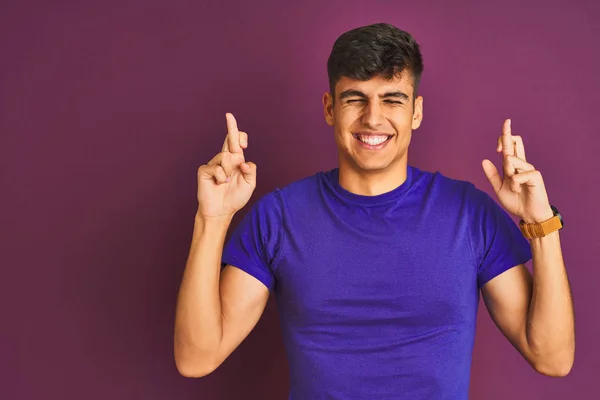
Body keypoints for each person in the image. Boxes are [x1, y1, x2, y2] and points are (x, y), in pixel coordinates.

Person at [174, 23, 575, 399]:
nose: (373, 118)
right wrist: (212, 219)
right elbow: (197, 358)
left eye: (392, 99)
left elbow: (552, 358)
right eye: (355, 99)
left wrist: (541, 223)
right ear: (330, 109)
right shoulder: (279, 217)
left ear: (416, 112)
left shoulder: (469, 213)